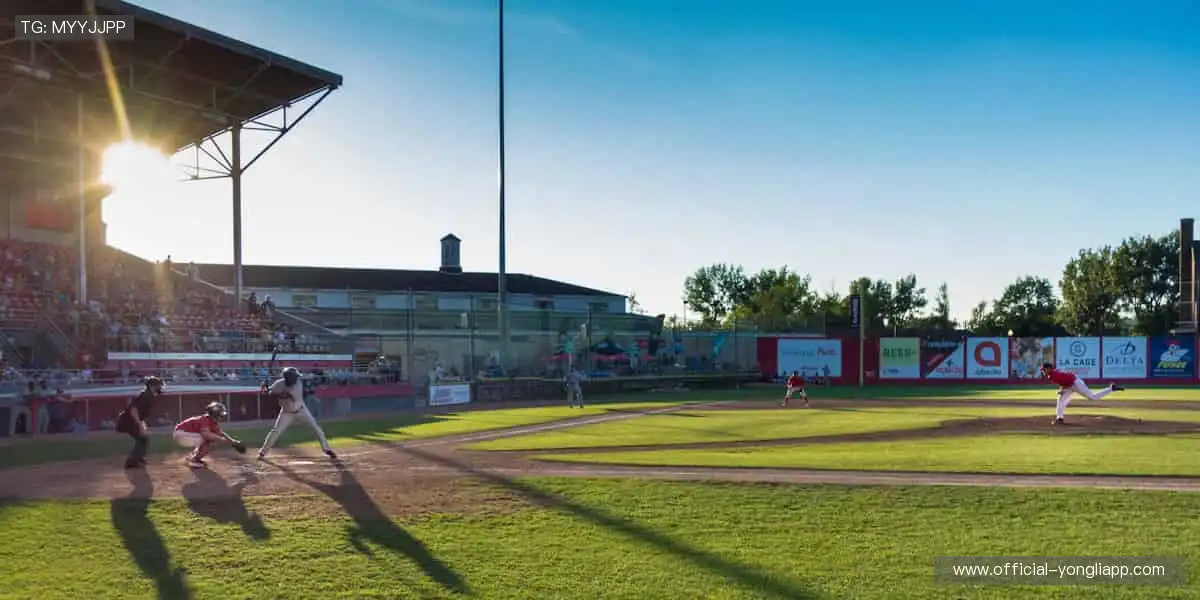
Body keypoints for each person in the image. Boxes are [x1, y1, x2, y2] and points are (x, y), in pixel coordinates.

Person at [258, 367, 336, 460]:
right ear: (289, 378)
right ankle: (263, 452)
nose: (296, 378)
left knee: (316, 428)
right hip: (286, 413)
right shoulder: (279, 384)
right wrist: (264, 388)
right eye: (295, 377)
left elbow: (285, 395)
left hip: (302, 411)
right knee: (276, 431)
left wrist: (269, 392)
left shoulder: (298, 384)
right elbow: (268, 393)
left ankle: (326, 449)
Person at [1041, 362, 1124, 425]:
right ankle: (1059, 418)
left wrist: (1062, 389)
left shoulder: (1054, 375)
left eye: (1044, 369)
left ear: (1049, 368)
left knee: (1092, 397)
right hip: (1070, 385)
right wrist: (1062, 390)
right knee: (1060, 399)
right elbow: (1064, 382)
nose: (1043, 371)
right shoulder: (1052, 374)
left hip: (1076, 383)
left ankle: (1111, 388)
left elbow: (1067, 381)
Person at [173, 402, 244, 468]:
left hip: (185, 435)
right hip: (181, 435)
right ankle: (194, 460)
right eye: (220, 415)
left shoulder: (212, 421)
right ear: (215, 414)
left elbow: (220, 433)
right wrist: (220, 439)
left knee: (211, 438)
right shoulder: (204, 420)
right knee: (209, 439)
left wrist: (233, 441)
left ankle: (193, 457)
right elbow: (206, 434)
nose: (222, 417)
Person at [115, 376, 164, 468]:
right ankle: (132, 461)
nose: (159, 388)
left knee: (143, 438)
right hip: (128, 421)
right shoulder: (145, 396)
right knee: (142, 439)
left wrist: (143, 426)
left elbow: (142, 415)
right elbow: (134, 410)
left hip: (131, 420)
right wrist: (140, 426)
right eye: (157, 386)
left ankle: (137, 458)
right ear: (151, 386)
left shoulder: (148, 395)